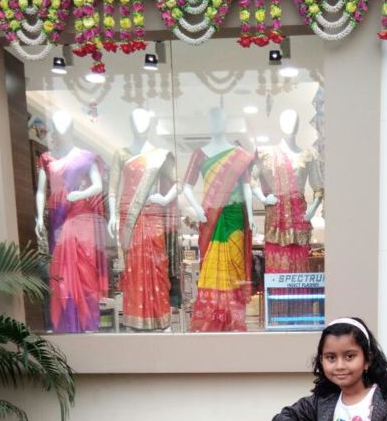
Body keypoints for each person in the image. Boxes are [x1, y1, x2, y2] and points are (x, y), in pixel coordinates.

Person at [182, 107, 255, 332]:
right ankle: (212, 322)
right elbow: (186, 186)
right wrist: (197, 208)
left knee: (234, 268)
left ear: (226, 122)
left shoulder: (239, 154)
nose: (217, 123)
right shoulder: (199, 154)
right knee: (212, 269)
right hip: (211, 219)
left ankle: (234, 322)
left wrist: (251, 214)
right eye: (213, 119)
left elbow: (246, 187)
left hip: (234, 219)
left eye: (221, 119)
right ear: (208, 122)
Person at [35, 109, 108, 332]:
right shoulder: (46, 158)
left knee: (84, 267)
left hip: (79, 215)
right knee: (61, 271)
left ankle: (87, 323)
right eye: (57, 125)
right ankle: (66, 323)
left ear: (72, 129)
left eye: (65, 125)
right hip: (57, 215)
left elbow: (98, 186)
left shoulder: (86, 157)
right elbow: (41, 190)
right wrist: (39, 218)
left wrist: (81, 194)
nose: (60, 129)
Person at [108, 107, 178, 331]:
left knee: (156, 264)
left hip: (152, 214)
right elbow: (112, 189)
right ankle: (135, 320)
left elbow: (179, 182)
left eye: (145, 120)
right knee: (133, 269)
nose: (140, 124)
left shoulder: (160, 155)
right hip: (128, 216)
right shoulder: (121, 154)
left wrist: (165, 199)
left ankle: (160, 320)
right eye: (136, 120)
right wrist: (112, 216)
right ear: (129, 124)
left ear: (151, 124)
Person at [253, 108, 324, 275]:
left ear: (298, 125)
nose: (290, 125)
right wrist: (263, 198)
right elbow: (250, 178)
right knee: (277, 262)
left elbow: (318, 188)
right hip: (275, 217)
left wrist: (312, 211)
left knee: (298, 263)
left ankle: (297, 293)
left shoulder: (308, 155)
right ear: (279, 124)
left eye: (294, 120)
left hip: (299, 216)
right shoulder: (266, 154)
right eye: (285, 120)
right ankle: (278, 292)